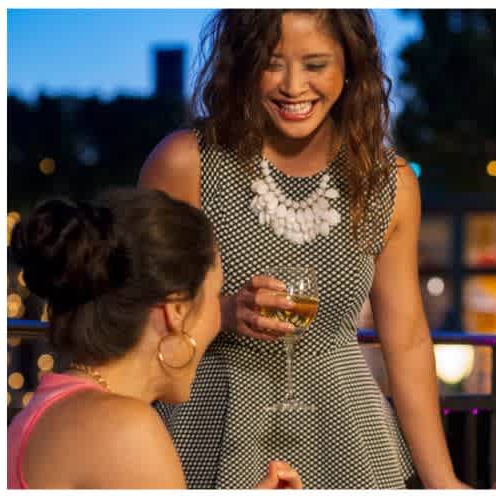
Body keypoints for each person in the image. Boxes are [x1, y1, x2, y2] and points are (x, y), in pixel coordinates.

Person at [139, 10, 463, 489]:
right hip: (210, 429)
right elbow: (135, 318)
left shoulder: (386, 184)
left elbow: (408, 340)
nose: (294, 86)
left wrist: (445, 483)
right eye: (273, 63)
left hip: (346, 435)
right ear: (244, 63)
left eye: (315, 65)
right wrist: (224, 313)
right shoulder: (186, 163)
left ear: (349, 67)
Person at [7, 188, 301, 489]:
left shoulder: (39, 414)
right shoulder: (126, 432)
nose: (220, 316)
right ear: (175, 310)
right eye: (216, 295)